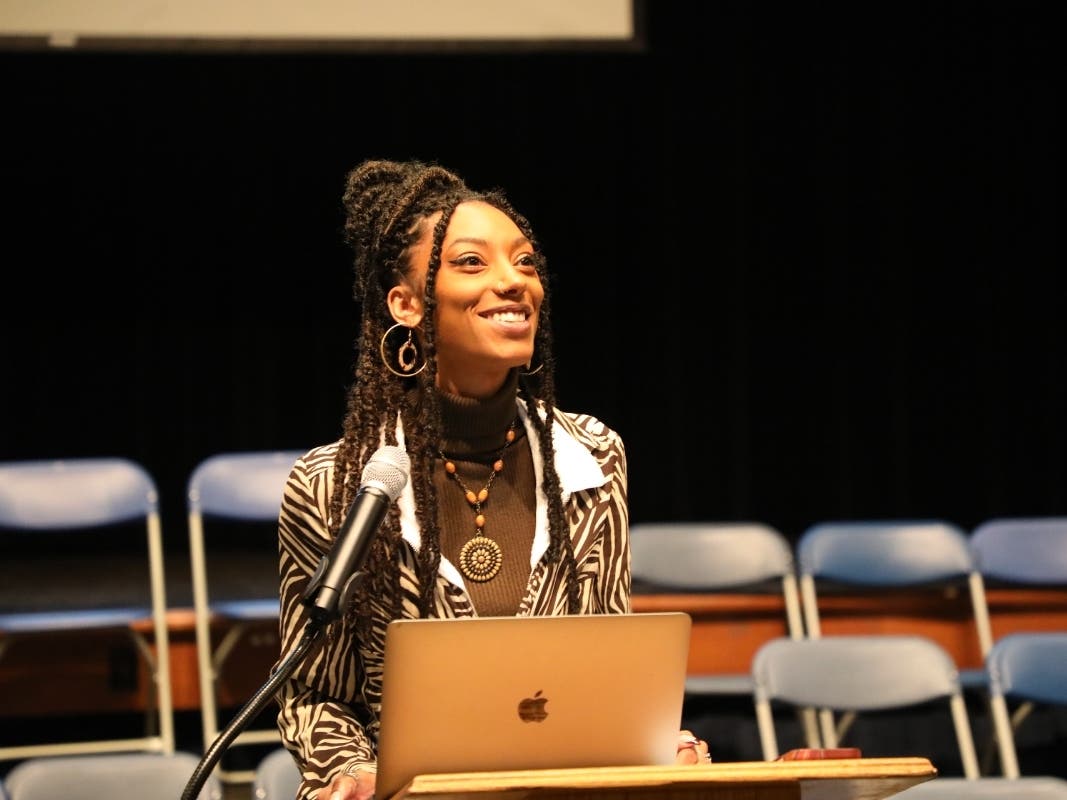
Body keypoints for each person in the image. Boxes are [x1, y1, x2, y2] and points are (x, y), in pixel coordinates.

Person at [273, 158, 712, 800]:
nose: (514, 282)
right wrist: (351, 772)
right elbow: (312, 690)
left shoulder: (594, 458)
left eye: (527, 263)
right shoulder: (334, 484)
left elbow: (610, 662)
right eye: (473, 263)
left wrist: (652, 735)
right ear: (407, 303)